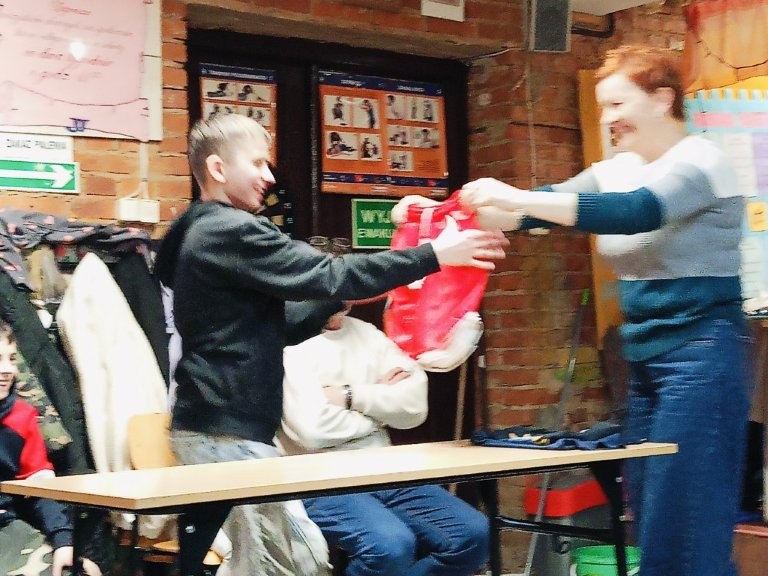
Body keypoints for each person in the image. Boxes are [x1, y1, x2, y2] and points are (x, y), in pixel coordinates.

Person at [152, 112, 506, 576]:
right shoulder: (229, 229)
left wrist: (341, 299)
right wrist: (434, 254)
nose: (269, 176)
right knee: (299, 561)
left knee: (260, 565)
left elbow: (276, 322)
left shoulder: (196, 230)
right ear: (217, 168)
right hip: (225, 433)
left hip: (213, 427)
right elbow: (329, 274)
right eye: (257, 163)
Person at [460, 44, 749, 576]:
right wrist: (443, 211)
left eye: (618, 104)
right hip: (643, 360)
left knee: (687, 531)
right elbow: (529, 215)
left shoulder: (703, 160)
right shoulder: (615, 170)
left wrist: (516, 197)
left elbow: (636, 211)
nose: (608, 119)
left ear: (662, 100)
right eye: (602, 108)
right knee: (654, 526)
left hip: (700, 357)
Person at [279, 303, 490, 576]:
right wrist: (381, 410)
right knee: (391, 547)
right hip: (318, 480)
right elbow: (314, 430)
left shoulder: (367, 334)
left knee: (473, 535)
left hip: (384, 470)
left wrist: (350, 396)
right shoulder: (291, 343)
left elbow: (414, 407)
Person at [0, 321, 101, 576]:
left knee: (74, 571)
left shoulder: (22, 418)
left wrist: (63, 540)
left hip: (6, 528)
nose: (7, 369)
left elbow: (40, 490)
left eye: (11, 359)